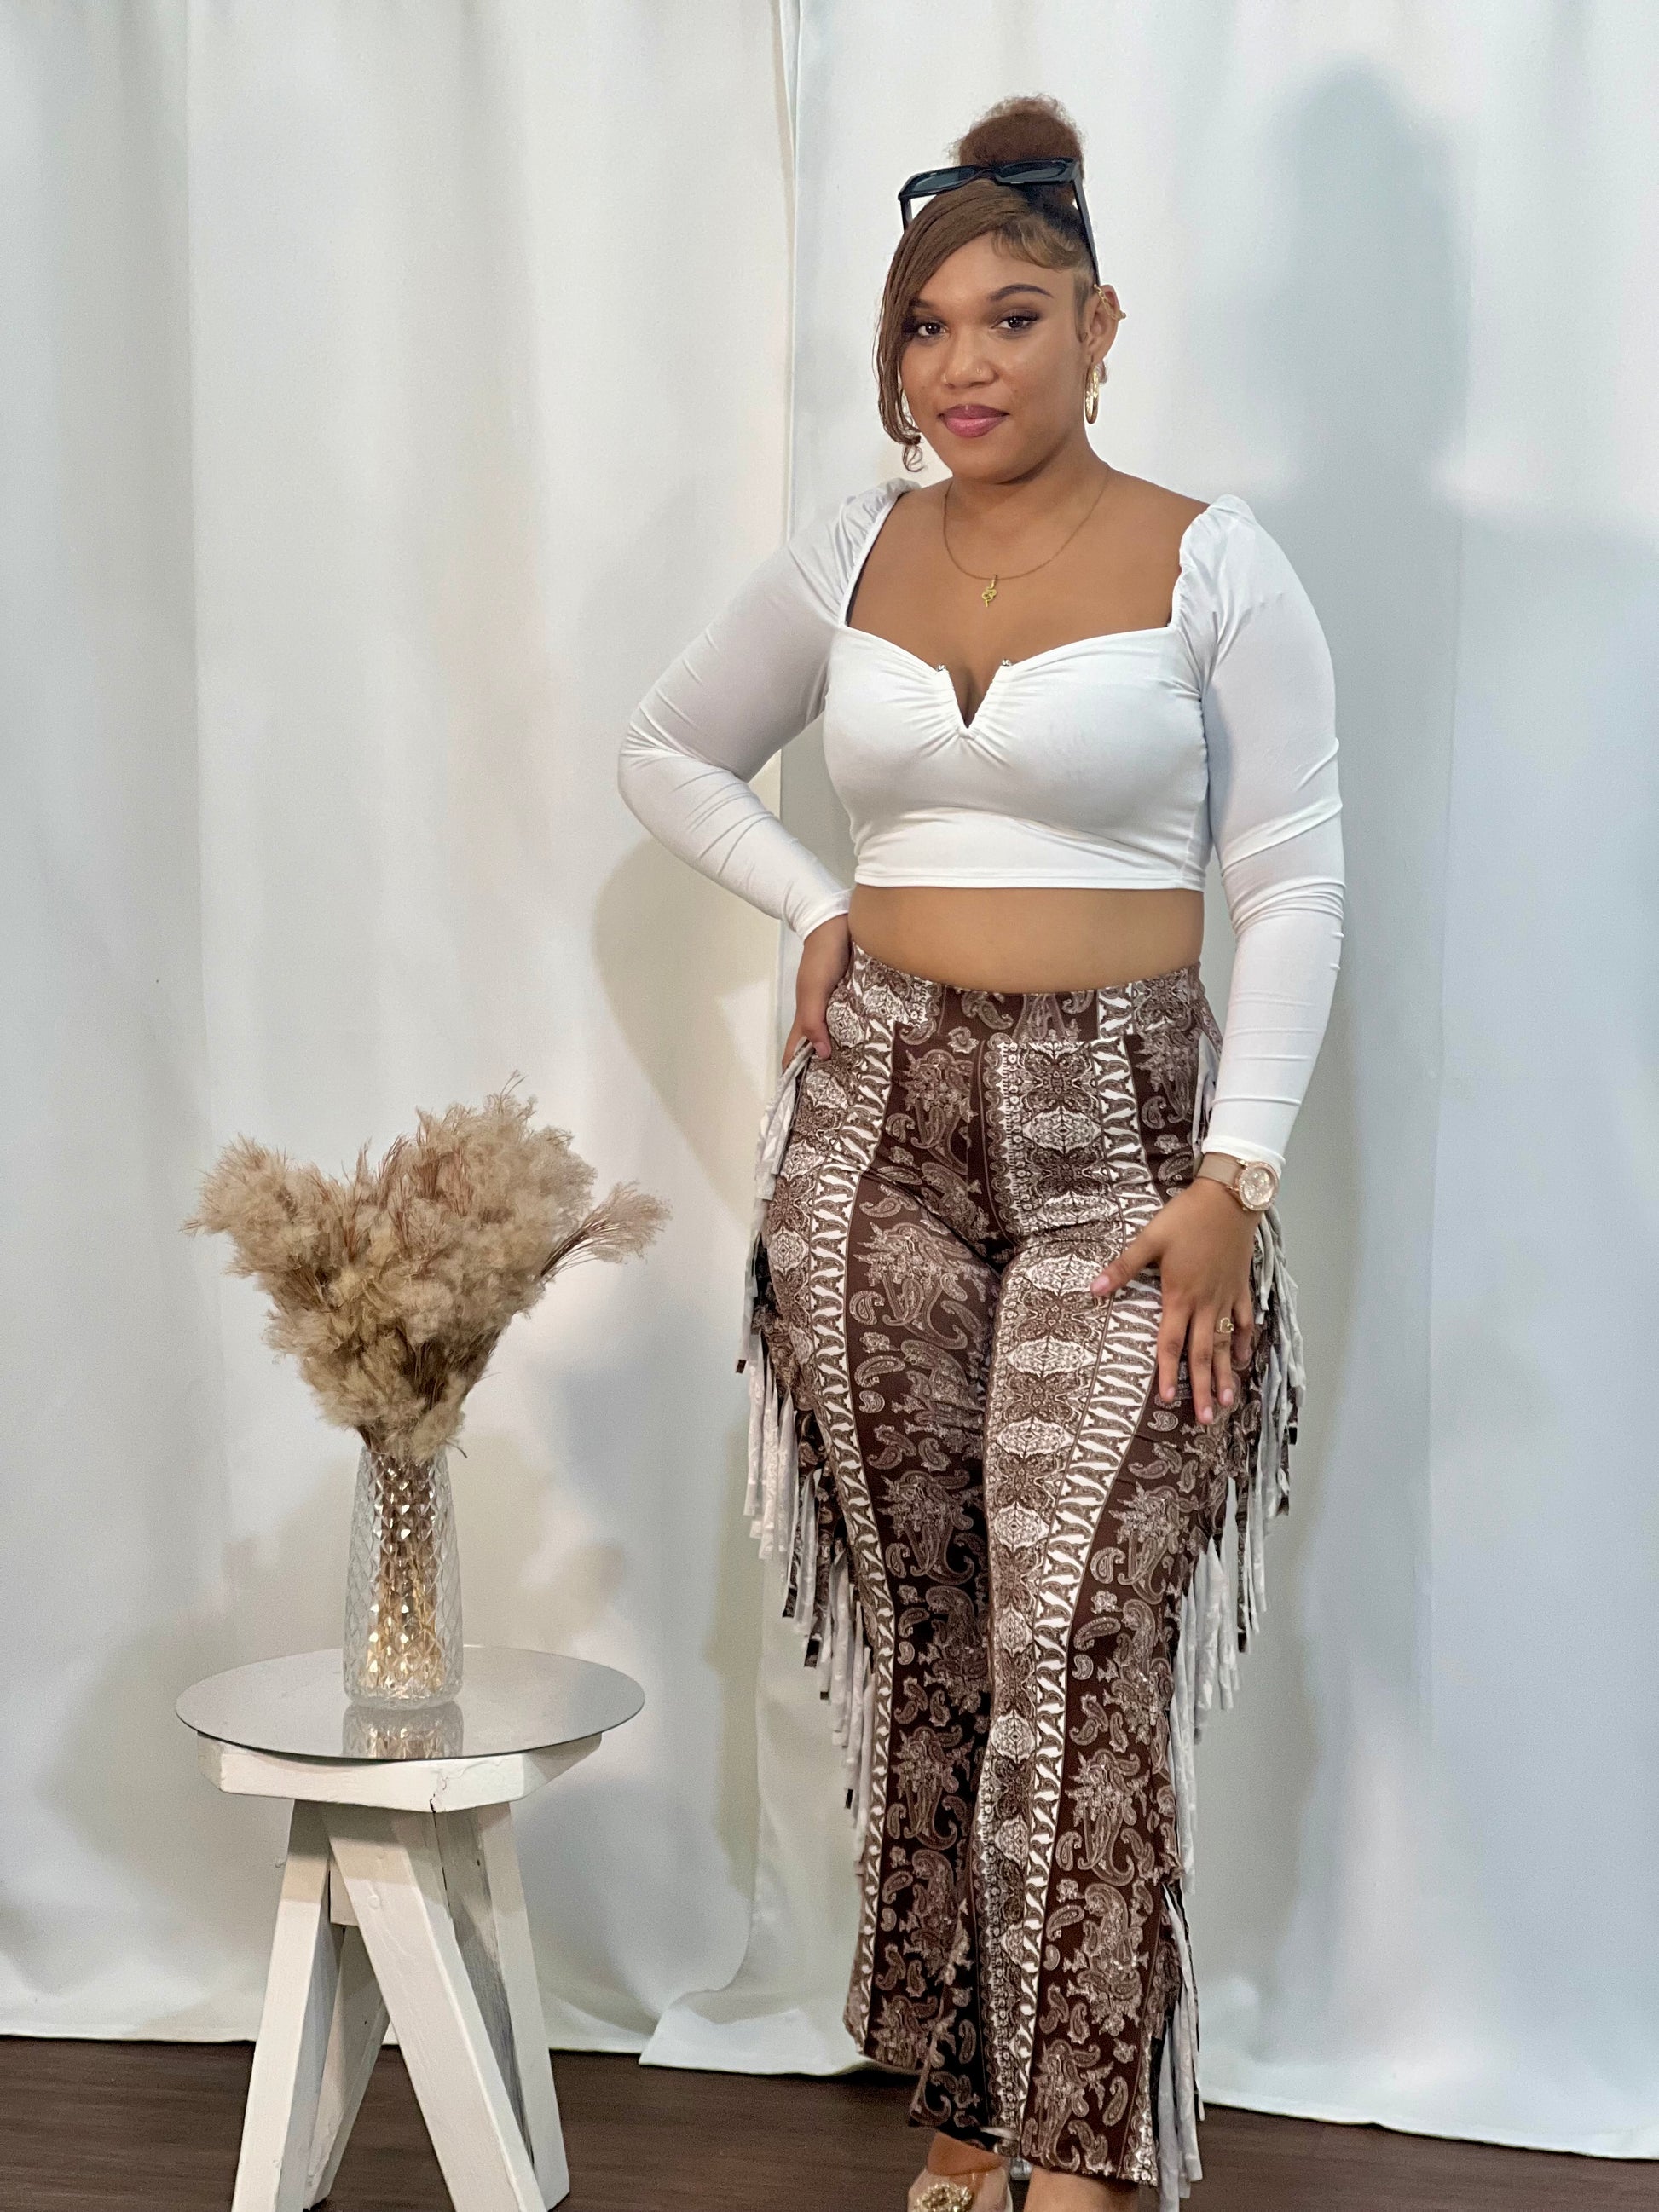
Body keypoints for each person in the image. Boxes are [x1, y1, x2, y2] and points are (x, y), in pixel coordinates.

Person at [617, 90, 1342, 2212]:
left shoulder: (1213, 561)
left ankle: (1085, 2145)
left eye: (1012, 317)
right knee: (937, 1640)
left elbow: (1292, 883)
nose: (964, 364)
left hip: (1127, 1152)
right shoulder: (850, 547)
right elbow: (667, 747)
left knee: (1078, 1640)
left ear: (1101, 327)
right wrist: (810, 898)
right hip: (875, 1140)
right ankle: (965, 2098)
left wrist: (1237, 1175)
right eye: (926, 328)